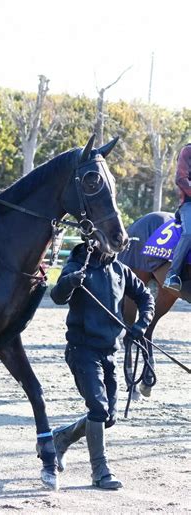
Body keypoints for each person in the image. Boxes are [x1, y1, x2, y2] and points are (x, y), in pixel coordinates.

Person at [50, 242, 155, 489]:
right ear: (95, 242)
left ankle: (62, 437)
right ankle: (100, 471)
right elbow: (57, 296)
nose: (117, 246)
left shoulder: (120, 270)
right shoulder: (77, 266)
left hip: (111, 351)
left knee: (108, 418)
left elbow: (145, 296)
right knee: (98, 409)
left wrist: (142, 324)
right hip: (82, 349)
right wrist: (69, 282)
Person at [164, 143, 191, 291]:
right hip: (188, 203)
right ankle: (172, 275)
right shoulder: (188, 151)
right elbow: (181, 178)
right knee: (189, 233)